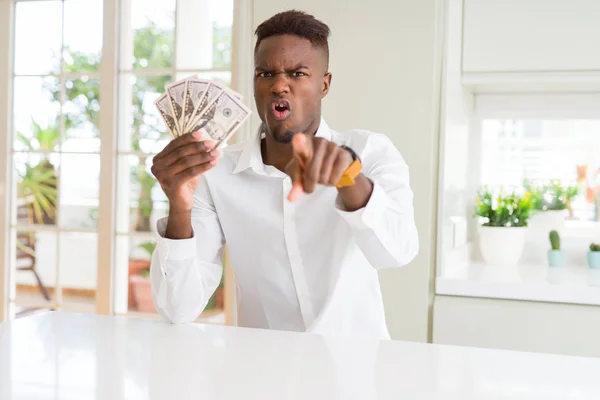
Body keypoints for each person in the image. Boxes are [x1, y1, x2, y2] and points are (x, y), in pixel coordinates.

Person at [149, 10, 418, 339]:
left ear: (324, 84)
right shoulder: (214, 174)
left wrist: (350, 180)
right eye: (265, 74)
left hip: (355, 371)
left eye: (298, 73)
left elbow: (397, 253)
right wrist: (179, 205)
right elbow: (178, 309)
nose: (278, 85)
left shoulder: (372, 150)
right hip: (264, 372)